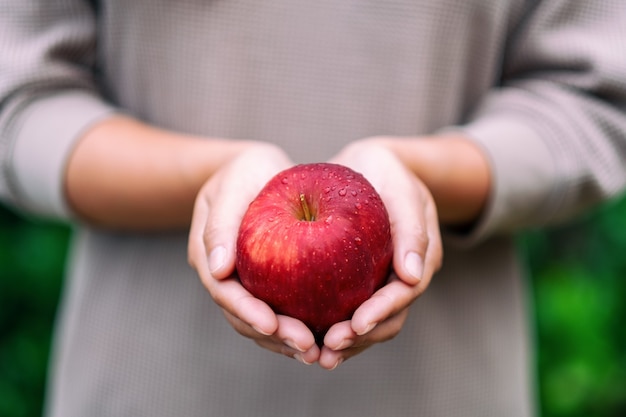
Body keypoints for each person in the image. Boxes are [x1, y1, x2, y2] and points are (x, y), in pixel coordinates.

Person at [1, 1, 625, 416]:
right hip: (149, 387)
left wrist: (426, 175)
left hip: (440, 392)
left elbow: (595, 100)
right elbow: (19, 100)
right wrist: (209, 177)